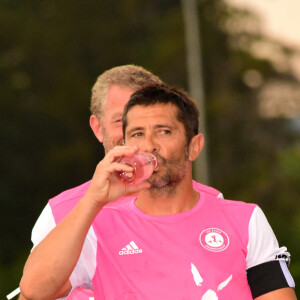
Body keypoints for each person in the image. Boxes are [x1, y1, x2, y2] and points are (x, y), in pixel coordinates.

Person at [20, 84, 296, 299]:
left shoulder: (245, 220)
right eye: (137, 134)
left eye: (163, 132)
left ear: (194, 146)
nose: (149, 145)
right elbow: (35, 290)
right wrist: (94, 198)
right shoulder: (99, 225)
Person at [16, 65, 222, 300]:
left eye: (152, 123)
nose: (135, 135)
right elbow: (31, 294)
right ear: (97, 128)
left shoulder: (211, 202)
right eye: (121, 121)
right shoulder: (61, 211)